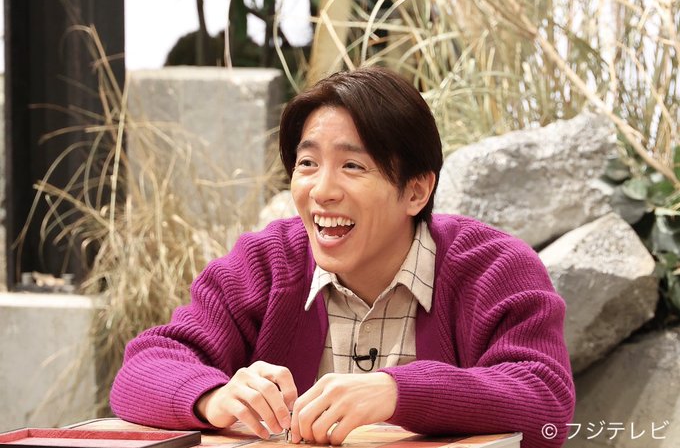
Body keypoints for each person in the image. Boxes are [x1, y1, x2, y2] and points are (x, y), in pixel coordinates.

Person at [110, 67, 575, 448]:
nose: (322, 191)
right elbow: (142, 370)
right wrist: (213, 397)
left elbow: (546, 400)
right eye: (307, 164)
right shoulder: (265, 263)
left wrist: (398, 392)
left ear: (416, 191)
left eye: (352, 166)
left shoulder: (493, 267)